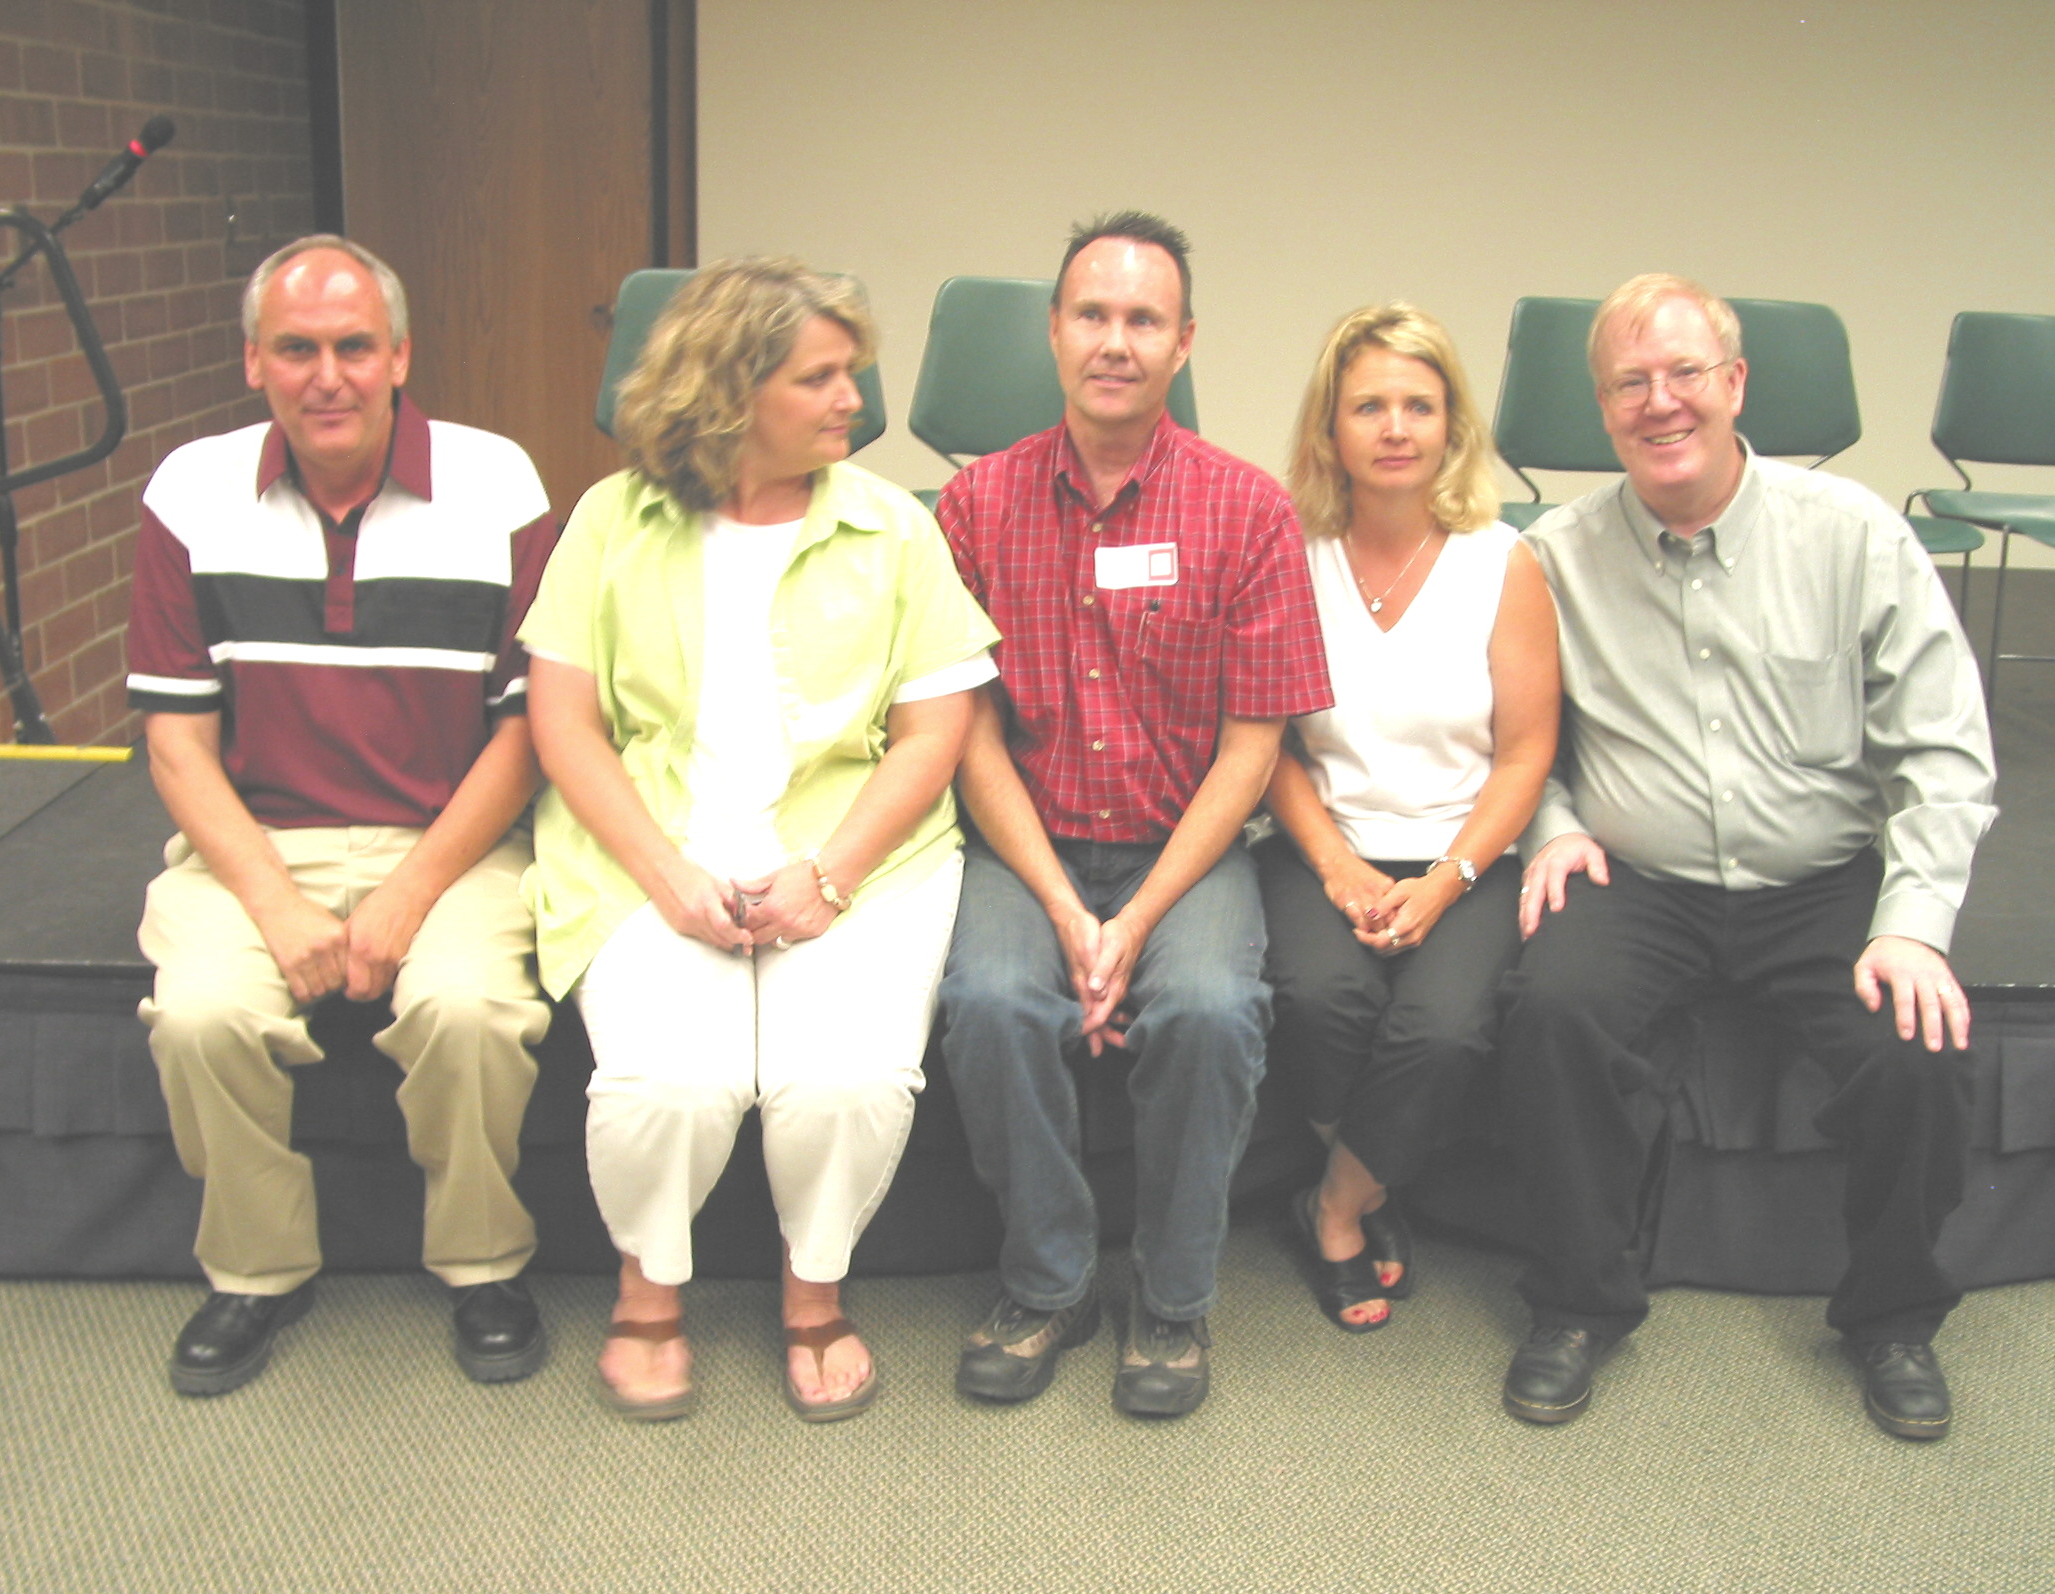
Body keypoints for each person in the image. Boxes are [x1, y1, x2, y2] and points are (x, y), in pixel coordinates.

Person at [1499, 273, 1996, 1440]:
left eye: (1684, 373)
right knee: (1552, 1015)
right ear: (1601, 408)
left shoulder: (1852, 535)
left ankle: (1892, 1318)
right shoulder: (1553, 556)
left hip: (1819, 881)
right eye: (1629, 383)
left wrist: (1912, 924)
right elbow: (1513, 737)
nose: (1659, 402)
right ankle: (1575, 1305)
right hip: (1637, 880)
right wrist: (1551, 827)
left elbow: (1944, 748)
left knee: (1914, 1051)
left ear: (1734, 383)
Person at [521, 258, 998, 1423]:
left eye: (851, 373)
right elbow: (563, 722)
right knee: (669, 1083)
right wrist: (666, 876)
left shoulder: (893, 528)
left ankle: (813, 1290)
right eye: (820, 377)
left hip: (860, 857)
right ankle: (646, 1289)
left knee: (842, 1081)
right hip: (649, 851)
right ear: (731, 391)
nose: (853, 400)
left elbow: (935, 730)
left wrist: (832, 874)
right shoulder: (609, 520)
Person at [128, 235, 556, 1396]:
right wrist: (273, 902)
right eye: (297, 349)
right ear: (253, 361)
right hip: (254, 844)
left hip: (453, 844)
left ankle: (483, 1264)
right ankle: (257, 1272)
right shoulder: (189, 491)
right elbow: (176, 744)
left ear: (400, 356)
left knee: (468, 1013)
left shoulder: (499, 485)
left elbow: (527, 736)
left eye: (355, 347)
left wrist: (409, 894)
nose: (329, 377)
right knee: (201, 1016)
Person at [937, 212, 1332, 1418]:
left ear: (1183, 343)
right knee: (992, 1002)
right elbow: (966, 734)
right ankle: (1049, 1283)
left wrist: (1137, 918)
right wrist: (1066, 911)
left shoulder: (1249, 511)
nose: (1116, 342)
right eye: (1093, 315)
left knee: (1210, 1009)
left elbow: (1253, 749)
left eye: (1144, 320)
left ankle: (1172, 1300)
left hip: (1186, 847)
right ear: (1054, 332)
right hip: (1027, 843)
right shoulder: (975, 506)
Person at [1263, 304, 1559, 1331]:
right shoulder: (1288, 556)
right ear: (1329, 428)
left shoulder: (1503, 562)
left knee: (1442, 1030)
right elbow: (1269, 749)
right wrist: (1336, 867)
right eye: (1368, 406)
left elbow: (1525, 753)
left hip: (1467, 853)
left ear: (1451, 426)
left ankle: (1337, 1204)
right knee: (1317, 1001)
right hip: (1324, 844)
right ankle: (1370, 1181)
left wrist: (1447, 881)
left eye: (1419, 406)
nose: (1395, 428)